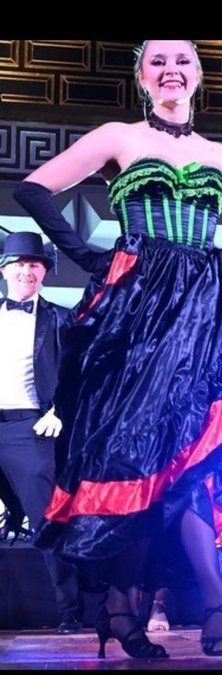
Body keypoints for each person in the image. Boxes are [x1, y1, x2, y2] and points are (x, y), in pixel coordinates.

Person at [13, 40, 222, 657]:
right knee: (142, 458)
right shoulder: (118, 136)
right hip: (134, 313)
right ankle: (147, 605)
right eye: (157, 62)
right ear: (141, 76)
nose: (171, 70)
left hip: (202, 318)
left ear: (198, 74)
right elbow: (33, 189)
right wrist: (88, 257)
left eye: (182, 60)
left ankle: (159, 605)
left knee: (189, 456)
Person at [0, 231, 83, 635]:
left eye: (34, 264)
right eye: (19, 264)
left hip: (30, 429)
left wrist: (59, 411)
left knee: (47, 521)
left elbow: (79, 376)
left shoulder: (60, 319)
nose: (26, 271)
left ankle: (70, 611)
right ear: (4, 270)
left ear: (44, 272)